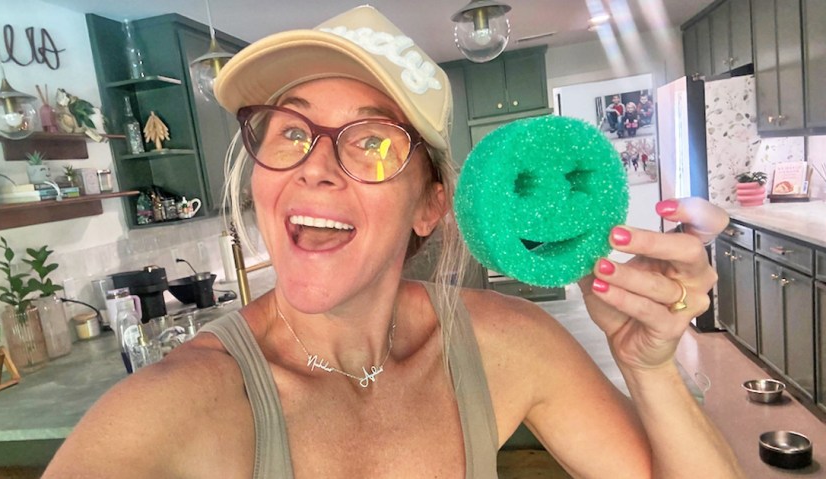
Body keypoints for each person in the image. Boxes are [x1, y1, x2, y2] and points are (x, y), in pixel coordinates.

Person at [44, 6, 743, 478]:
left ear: (431, 204)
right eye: (290, 130)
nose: (314, 163)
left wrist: (649, 368)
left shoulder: (507, 346)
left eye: (372, 139)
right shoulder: (176, 403)